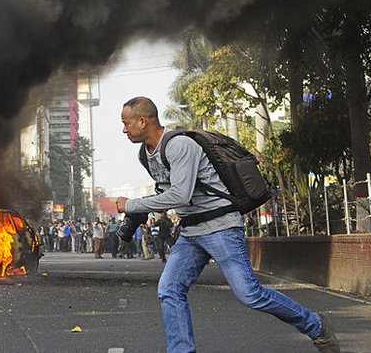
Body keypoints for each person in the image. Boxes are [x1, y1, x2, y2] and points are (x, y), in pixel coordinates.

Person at [115, 96, 340, 353]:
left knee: (250, 294)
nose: (124, 129)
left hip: (220, 226)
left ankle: (316, 326)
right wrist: (142, 212)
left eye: (126, 123)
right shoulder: (146, 155)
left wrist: (132, 205)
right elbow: (167, 192)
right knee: (169, 289)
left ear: (143, 121)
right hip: (191, 231)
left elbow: (180, 195)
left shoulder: (179, 145)